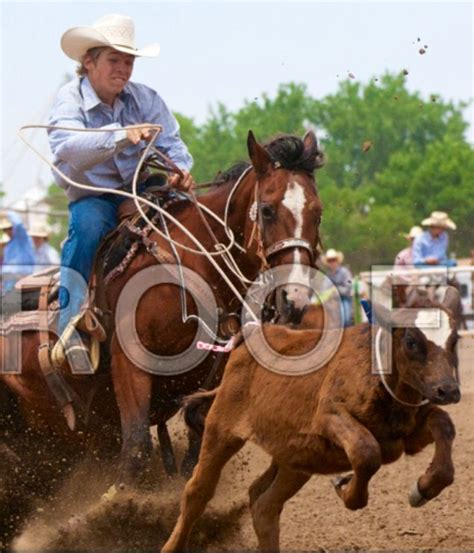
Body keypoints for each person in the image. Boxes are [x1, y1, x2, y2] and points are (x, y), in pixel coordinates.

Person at [47, 14, 194, 347]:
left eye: (129, 62)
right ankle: (68, 324)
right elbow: (68, 148)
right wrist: (120, 135)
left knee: (186, 217)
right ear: (89, 61)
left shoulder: (146, 99)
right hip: (93, 196)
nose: (123, 69)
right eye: (114, 60)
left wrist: (179, 171)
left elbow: (172, 143)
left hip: (139, 190)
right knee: (86, 230)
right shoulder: (69, 100)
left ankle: (194, 306)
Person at [0, 212, 36, 294]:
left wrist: (8, 213)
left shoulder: (22, 239)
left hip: (21, 278)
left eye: (10, 228)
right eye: (5, 229)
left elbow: (19, 224)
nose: (7, 231)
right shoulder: (9, 246)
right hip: (9, 280)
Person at [322, 248, 353, 327]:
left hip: (344, 298)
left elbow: (349, 285)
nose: (332, 262)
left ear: (337, 261)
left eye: (333, 260)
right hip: (332, 300)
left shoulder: (344, 272)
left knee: (346, 318)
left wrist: (337, 290)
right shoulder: (328, 275)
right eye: (330, 260)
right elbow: (324, 288)